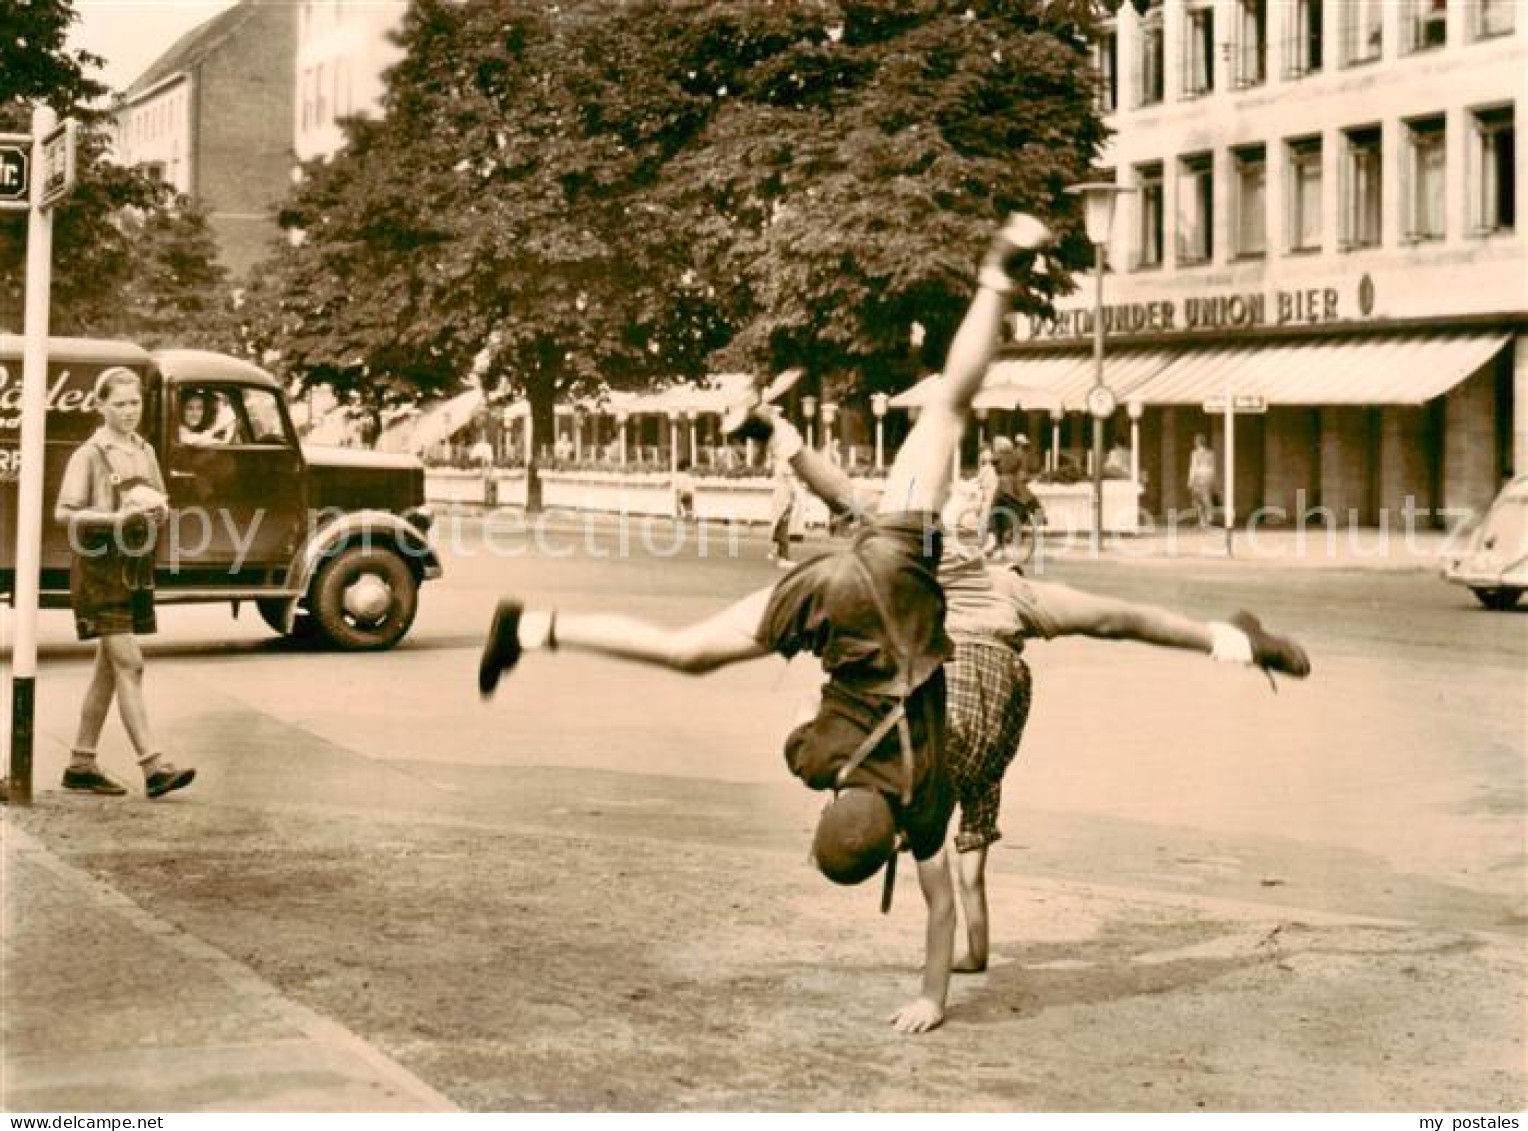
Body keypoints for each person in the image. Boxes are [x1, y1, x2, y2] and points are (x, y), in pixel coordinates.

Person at [477, 213, 1057, 1034]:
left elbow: (934, 911)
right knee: (689, 652)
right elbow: (803, 722)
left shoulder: (926, 800)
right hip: (842, 597)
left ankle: (998, 271)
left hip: (883, 573)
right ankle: (535, 626)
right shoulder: (820, 764)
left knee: (950, 407)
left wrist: (933, 995)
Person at [767, 429, 1313, 975]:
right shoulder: (928, 564)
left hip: (987, 693)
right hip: (991, 625)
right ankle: (1231, 641)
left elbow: (939, 902)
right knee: (1120, 620)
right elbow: (849, 504)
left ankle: (1236, 641)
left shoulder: (919, 808)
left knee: (974, 816)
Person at [53, 367, 196, 801]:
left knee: (108, 670)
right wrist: (114, 518)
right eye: (119, 404)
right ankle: (153, 767)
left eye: (134, 403)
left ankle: (80, 764)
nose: (129, 411)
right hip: (99, 568)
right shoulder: (90, 454)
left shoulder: (144, 450)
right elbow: (64, 513)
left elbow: (158, 497)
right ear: (100, 406)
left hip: (133, 565)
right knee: (130, 663)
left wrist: (158, 513)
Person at [767, 456, 797, 567]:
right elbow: (792, 484)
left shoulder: (778, 463)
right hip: (784, 498)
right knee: (784, 526)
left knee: (779, 526)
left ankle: (778, 553)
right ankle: (784, 558)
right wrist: (795, 496)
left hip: (778, 497)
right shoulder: (786, 465)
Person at [1188, 433, 1217, 528]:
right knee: (1207, 498)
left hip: (1198, 477)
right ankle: (1209, 518)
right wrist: (1212, 479)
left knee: (1197, 500)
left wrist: (1190, 480)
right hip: (1208, 477)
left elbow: (1193, 467)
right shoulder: (1210, 453)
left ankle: (1202, 521)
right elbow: (1212, 468)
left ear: (1197, 442)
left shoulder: (1195, 453)